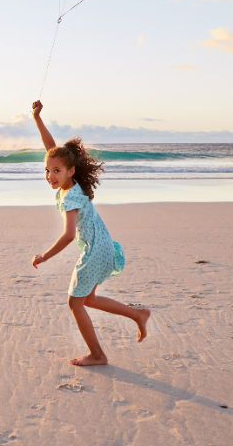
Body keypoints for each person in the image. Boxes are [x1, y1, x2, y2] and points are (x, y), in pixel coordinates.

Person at [30, 100, 150, 366]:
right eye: (47, 170)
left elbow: (69, 235)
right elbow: (52, 150)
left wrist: (45, 256)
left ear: (70, 171)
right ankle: (138, 315)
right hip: (105, 246)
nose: (50, 175)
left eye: (56, 171)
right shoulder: (74, 183)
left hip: (95, 252)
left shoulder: (70, 198)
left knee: (76, 304)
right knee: (89, 299)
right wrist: (38, 119)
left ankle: (97, 355)